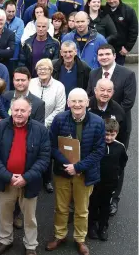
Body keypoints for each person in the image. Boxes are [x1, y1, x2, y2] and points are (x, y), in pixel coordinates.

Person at [46, 88, 105, 255]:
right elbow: (52, 146)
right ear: (68, 103)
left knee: (81, 209)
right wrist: (68, 165)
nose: (77, 104)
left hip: (85, 173)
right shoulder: (59, 119)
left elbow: (99, 150)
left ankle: (80, 239)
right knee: (61, 207)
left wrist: (78, 167)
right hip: (63, 171)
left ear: (87, 103)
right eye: (74, 101)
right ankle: (60, 235)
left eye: (81, 101)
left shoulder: (98, 122)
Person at [0, 96, 50, 255]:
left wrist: (26, 177)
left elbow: (44, 159)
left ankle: (30, 245)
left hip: (29, 182)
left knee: (29, 218)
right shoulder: (0, 127)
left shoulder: (41, 130)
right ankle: (5, 240)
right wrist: (8, 176)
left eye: (23, 110)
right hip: (6, 181)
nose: (19, 113)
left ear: (30, 112)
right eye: (16, 110)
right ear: (11, 110)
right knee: (5, 214)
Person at [87, 44, 136, 215]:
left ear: (114, 56)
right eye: (101, 54)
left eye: (107, 54)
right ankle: (94, 195)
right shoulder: (93, 73)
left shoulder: (127, 74)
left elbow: (128, 102)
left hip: (118, 127)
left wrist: (109, 117)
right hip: (95, 125)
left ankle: (113, 198)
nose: (104, 57)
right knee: (96, 158)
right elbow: (89, 97)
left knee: (115, 163)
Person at [87, 118, 127, 242]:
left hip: (110, 184)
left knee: (105, 207)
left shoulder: (120, 147)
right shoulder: (96, 145)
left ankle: (103, 227)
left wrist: (116, 174)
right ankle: (91, 226)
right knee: (92, 205)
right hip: (95, 182)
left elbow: (123, 162)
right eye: (106, 134)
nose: (109, 137)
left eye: (112, 134)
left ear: (116, 133)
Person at [104, 0, 138, 65]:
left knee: (118, 73)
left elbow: (134, 31)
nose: (112, 1)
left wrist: (127, 48)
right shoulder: (103, 11)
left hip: (120, 50)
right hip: (105, 48)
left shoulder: (128, 11)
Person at [88, 79, 127, 145]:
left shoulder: (118, 110)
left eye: (109, 91)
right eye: (102, 90)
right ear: (95, 90)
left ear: (113, 92)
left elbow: (122, 137)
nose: (105, 93)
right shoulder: (85, 106)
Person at [29, 59, 66, 128]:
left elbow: (59, 109)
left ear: (51, 70)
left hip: (50, 127)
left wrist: (44, 123)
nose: (42, 71)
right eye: (40, 69)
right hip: (30, 125)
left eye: (46, 69)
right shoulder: (30, 83)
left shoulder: (59, 86)